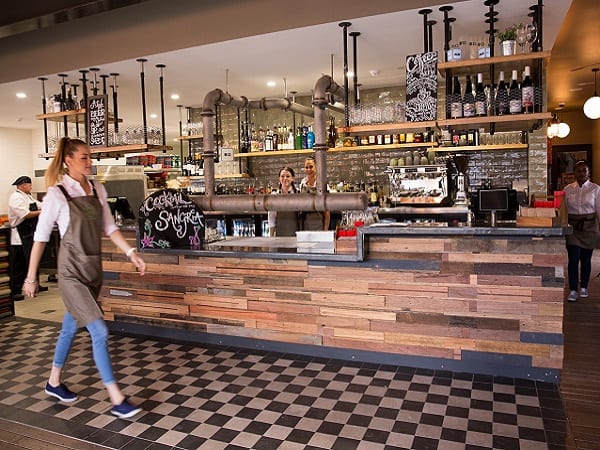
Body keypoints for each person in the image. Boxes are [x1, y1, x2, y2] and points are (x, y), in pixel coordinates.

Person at [23, 137, 147, 418]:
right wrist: (31, 277)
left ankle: (54, 382)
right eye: (84, 158)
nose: (90, 162)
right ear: (68, 160)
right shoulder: (57, 194)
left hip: (93, 271)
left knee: (70, 327)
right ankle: (116, 399)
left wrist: (131, 253)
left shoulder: (97, 189)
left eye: (90, 157)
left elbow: (109, 227)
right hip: (70, 273)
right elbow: (41, 238)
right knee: (99, 331)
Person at [564, 159, 600, 302]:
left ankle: (584, 287)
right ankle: (573, 290)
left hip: (589, 227)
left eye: (584, 170)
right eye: (578, 170)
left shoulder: (595, 189)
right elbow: (563, 209)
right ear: (574, 173)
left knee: (586, 259)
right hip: (572, 228)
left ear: (588, 172)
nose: (581, 173)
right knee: (573, 258)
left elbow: (599, 209)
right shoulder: (567, 189)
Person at [8, 175, 47, 301]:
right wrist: (43, 212)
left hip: (28, 233)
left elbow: (38, 204)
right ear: (23, 185)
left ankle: (35, 284)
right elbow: (26, 214)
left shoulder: (27, 196)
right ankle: (15, 290)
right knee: (19, 264)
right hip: (19, 235)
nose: (31, 187)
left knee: (30, 260)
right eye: (30, 185)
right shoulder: (16, 198)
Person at [299, 156, 330, 231]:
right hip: (304, 222)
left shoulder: (322, 184)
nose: (308, 169)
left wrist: (325, 229)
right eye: (306, 167)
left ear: (316, 167)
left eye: (311, 167)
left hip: (318, 222)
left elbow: (327, 211)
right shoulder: (303, 183)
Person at [268, 167, 299, 237]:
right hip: (280, 233)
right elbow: (271, 219)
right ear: (279, 178)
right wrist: (271, 237)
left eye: (288, 176)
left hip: (296, 233)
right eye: (282, 176)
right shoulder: (274, 195)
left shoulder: (298, 194)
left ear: (293, 178)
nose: (285, 178)